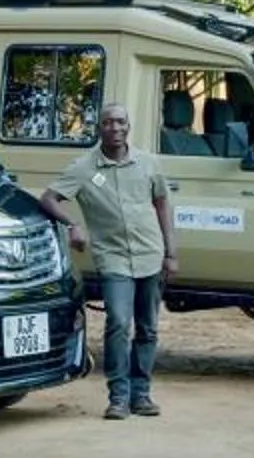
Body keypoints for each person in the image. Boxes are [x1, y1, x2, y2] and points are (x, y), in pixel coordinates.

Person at [40, 101, 178, 421]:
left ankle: (141, 394)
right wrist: (73, 224)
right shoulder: (84, 168)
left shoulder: (148, 164)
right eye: (107, 123)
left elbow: (162, 207)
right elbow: (48, 199)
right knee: (117, 322)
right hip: (113, 257)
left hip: (150, 255)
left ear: (128, 127)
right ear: (98, 127)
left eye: (120, 122)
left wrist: (171, 254)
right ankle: (118, 396)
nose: (114, 128)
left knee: (148, 328)